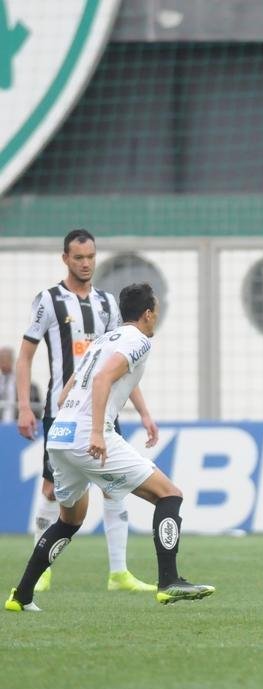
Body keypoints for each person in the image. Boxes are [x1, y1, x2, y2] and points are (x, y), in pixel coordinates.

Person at [6, 283, 214, 611]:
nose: (156, 316)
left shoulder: (104, 339)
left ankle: (21, 596)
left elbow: (65, 393)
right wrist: (98, 435)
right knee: (169, 494)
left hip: (60, 434)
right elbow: (103, 380)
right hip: (88, 434)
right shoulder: (139, 340)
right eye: (155, 311)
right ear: (147, 314)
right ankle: (169, 581)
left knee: (70, 519)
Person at [15, 230, 158, 594]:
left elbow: (119, 365)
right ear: (65, 258)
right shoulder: (48, 301)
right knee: (52, 489)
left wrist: (142, 411)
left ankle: (119, 572)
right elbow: (26, 356)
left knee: (115, 489)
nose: (86, 263)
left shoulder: (109, 304)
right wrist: (23, 407)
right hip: (61, 411)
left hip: (104, 415)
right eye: (78, 257)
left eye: (91, 256)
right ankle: (43, 569)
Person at [0, 346, 42, 422]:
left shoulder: (29, 386)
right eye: (2, 359)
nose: (4, 362)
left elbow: (36, 408)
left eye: (6, 359)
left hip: (18, 424)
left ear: (12, 360)